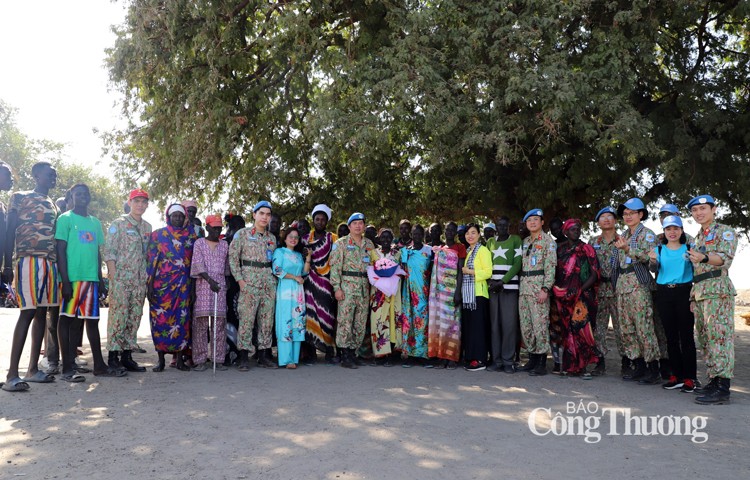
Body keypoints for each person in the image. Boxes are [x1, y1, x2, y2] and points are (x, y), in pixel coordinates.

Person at [2, 161, 59, 392]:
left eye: (55, 175)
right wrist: (7, 263)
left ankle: (33, 369)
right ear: (36, 175)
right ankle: (11, 375)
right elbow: (9, 230)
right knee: (27, 313)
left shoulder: (53, 203)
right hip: (28, 259)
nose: (53, 177)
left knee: (42, 314)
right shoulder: (20, 196)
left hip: (50, 263)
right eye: (49, 174)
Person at [56, 184, 122, 382]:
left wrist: (100, 279)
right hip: (73, 279)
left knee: (93, 321)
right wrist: (65, 281)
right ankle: (67, 366)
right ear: (72, 197)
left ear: (89, 197)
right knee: (66, 320)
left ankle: (99, 366)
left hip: (92, 279)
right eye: (78, 194)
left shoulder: (95, 222)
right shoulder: (65, 219)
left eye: (85, 194)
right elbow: (60, 250)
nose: (82, 197)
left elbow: (98, 251)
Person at [686, 195, 737, 405]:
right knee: (706, 339)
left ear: (714, 209)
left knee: (720, 337)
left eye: (703, 208)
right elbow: (695, 269)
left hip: (717, 290)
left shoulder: (725, 231)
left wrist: (704, 257)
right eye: (695, 210)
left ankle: (723, 387)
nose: (699, 213)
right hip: (700, 292)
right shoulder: (697, 237)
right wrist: (692, 296)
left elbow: (724, 259)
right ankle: (714, 380)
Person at [104, 188, 152, 373]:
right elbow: (110, 251)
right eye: (136, 201)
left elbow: (147, 255)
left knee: (134, 317)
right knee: (118, 317)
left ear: (147, 205)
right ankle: (113, 356)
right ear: (129, 203)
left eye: (143, 202)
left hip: (139, 281)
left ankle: (127, 356)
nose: (140, 205)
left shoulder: (147, 227)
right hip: (122, 279)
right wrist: (114, 276)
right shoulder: (119, 224)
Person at [648, 215, 697, 392]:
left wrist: (693, 297)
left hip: (684, 292)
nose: (672, 232)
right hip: (664, 293)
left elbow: (696, 273)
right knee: (671, 337)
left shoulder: (689, 249)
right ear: (664, 232)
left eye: (676, 228)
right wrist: (652, 260)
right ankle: (676, 375)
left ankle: (690, 378)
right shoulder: (659, 250)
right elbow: (654, 269)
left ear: (682, 230)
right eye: (668, 229)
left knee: (686, 337)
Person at [147, 203, 197, 372]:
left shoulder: (191, 237)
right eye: (174, 215)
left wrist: (193, 288)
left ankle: (181, 360)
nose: (177, 218)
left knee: (182, 322)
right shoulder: (158, 235)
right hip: (161, 286)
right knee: (159, 321)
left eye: (180, 216)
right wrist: (149, 286)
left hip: (183, 286)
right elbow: (152, 262)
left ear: (185, 218)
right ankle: (160, 360)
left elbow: (195, 265)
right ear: (168, 216)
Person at [614, 198, 660, 384]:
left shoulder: (648, 235)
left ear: (641, 214)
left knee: (644, 327)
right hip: (623, 285)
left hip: (639, 285)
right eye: (625, 214)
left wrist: (628, 250)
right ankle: (638, 364)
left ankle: (653, 367)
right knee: (627, 328)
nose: (628, 216)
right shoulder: (623, 235)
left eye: (632, 213)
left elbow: (651, 261)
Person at [228, 201, 278, 370]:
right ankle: (243, 356)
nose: (265, 217)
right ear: (254, 215)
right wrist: (240, 280)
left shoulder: (272, 238)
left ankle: (263, 355)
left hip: (268, 282)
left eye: (268, 214)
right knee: (247, 320)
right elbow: (233, 258)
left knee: (266, 320)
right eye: (262, 213)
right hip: (249, 281)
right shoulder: (242, 234)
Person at [551, 219, 601, 378]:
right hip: (563, 297)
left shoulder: (587, 249)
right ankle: (570, 366)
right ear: (565, 232)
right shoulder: (559, 250)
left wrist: (579, 290)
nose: (576, 231)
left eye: (578, 228)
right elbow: (553, 272)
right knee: (566, 331)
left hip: (582, 296)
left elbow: (595, 275)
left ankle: (584, 367)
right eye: (572, 229)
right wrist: (557, 290)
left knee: (580, 328)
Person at [329, 212, 375, 369]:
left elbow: (374, 266)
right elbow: (335, 268)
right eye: (354, 223)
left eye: (360, 223)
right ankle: (344, 355)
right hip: (347, 288)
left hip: (364, 288)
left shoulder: (369, 244)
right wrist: (337, 288)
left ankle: (353, 352)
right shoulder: (341, 243)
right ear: (349, 226)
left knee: (360, 323)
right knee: (345, 322)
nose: (358, 226)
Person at [518, 209, 557, 376]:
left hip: (538, 289)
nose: (532, 223)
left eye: (536, 219)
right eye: (529, 220)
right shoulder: (525, 241)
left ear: (542, 222)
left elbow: (550, 268)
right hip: (524, 289)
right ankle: (532, 358)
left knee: (540, 325)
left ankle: (541, 361)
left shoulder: (548, 242)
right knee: (527, 326)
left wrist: (545, 289)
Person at [190, 214, 230, 371]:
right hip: (203, 286)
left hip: (220, 287)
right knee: (200, 324)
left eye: (219, 228)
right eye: (214, 228)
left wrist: (222, 284)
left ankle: (218, 359)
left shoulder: (225, 245)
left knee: (219, 324)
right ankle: (200, 359)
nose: (217, 230)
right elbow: (198, 264)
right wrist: (210, 281)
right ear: (207, 227)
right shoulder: (199, 243)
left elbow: (227, 267)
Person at [588, 207, 623, 376]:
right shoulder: (593, 242)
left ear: (615, 220)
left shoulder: (624, 240)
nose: (607, 219)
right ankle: (599, 362)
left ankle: (627, 362)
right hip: (599, 290)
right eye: (602, 217)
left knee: (622, 328)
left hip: (619, 289)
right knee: (599, 328)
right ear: (598, 223)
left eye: (610, 216)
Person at [485, 216, 522, 373]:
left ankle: (508, 361)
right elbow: (486, 264)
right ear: (495, 227)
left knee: (509, 325)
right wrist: (491, 282)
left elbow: (518, 262)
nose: (501, 228)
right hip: (493, 288)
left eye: (504, 225)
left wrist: (504, 281)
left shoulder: (516, 240)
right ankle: (496, 360)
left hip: (509, 288)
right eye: (499, 225)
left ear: (508, 226)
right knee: (494, 325)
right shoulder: (490, 242)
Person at [304, 204, 339, 364]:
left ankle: (330, 351)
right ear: (313, 220)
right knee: (310, 315)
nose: (319, 222)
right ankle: (310, 352)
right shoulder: (305, 238)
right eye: (317, 219)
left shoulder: (333, 238)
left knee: (327, 315)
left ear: (326, 221)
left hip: (326, 283)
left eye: (322, 219)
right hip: (309, 283)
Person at [273, 226, 311, 369]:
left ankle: (294, 358)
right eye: (291, 236)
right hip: (285, 290)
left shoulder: (298, 255)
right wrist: (294, 277)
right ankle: (285, 359)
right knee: (286, 322)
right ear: (285, 238)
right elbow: (276, 270)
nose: (294, 239)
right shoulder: (280, 251)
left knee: (297, 323)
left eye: (296, 237)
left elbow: (304, 273)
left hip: (298, 292)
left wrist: (308, 259)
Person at [397, 225, 433, 367]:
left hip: (423, 291)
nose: (417, 236)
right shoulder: (405, 252)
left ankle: (423, 355)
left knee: (422, 322)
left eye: (420, 233)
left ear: (423, 235)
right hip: (409, 291)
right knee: (409, 321)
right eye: (415, 234)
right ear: (412, 235)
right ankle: (410, 354)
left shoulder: (429, 251)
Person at [367, 229, 403, 364]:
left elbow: (401, 271)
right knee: (378, 320)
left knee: (394, 319)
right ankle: (381, 354)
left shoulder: (398, 254)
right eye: (383, 237)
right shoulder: (373, 253)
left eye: (389, 237)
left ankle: (393, 353)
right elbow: (370, 271)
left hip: (393, 292)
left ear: (393, 238)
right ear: (379, 238)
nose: (386, 240)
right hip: (378, 293)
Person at [460, 224, 492, 371]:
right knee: (471, 328)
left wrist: (469, 271)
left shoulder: (483, 250)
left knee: (479, 328)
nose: (470, 236)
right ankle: (472, 358)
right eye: (467, 233)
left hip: (478, 294)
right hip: (468, 296)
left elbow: (487, 272)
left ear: (479, 235)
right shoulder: (468, 251)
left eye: (473, 233)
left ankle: (480, 359)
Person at [427, 242, 461, 369]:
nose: (449, 232)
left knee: (453, 324)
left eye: (452, 230)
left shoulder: (460, 248)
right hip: (439, 291)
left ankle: (451, 357)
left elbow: (460, 270)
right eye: (447, 230)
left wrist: (458, 291)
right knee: (441, 323)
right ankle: (442, 356)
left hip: (452, 291)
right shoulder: (440, 249)